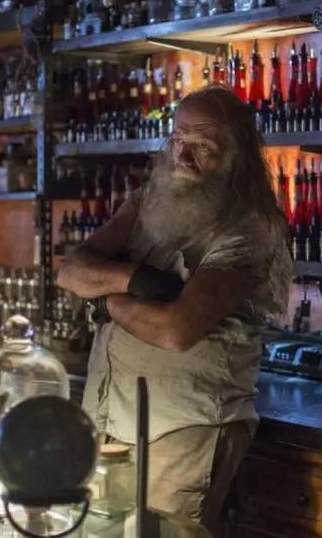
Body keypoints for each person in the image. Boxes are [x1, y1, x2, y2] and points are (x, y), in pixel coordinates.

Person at [56, 84, 292, 535]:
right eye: (179, 139)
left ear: (237, 157)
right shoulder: (150, 199)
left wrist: (104, 299)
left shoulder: (252, 226)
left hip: (183, 429)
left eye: (202, 146)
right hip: (111, 414)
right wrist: (136, 281)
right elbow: (71, 271)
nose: (182, 156)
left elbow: (176, 330)